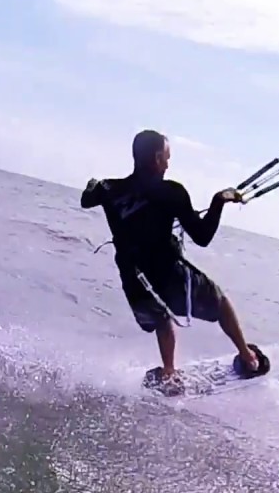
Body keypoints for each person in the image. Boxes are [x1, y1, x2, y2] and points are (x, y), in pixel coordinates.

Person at [81, 129, 266, 394]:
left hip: (135, 285)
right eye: (167, 157)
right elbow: (202, 237)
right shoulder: (172, 192)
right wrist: (218, 202)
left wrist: (95, 184)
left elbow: (86, 199)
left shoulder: (110, 189)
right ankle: (247, 356)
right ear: (157, 158)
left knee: (160, 316)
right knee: (221, 302)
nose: (168, 163)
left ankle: (168, 370)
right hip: (169, 278)